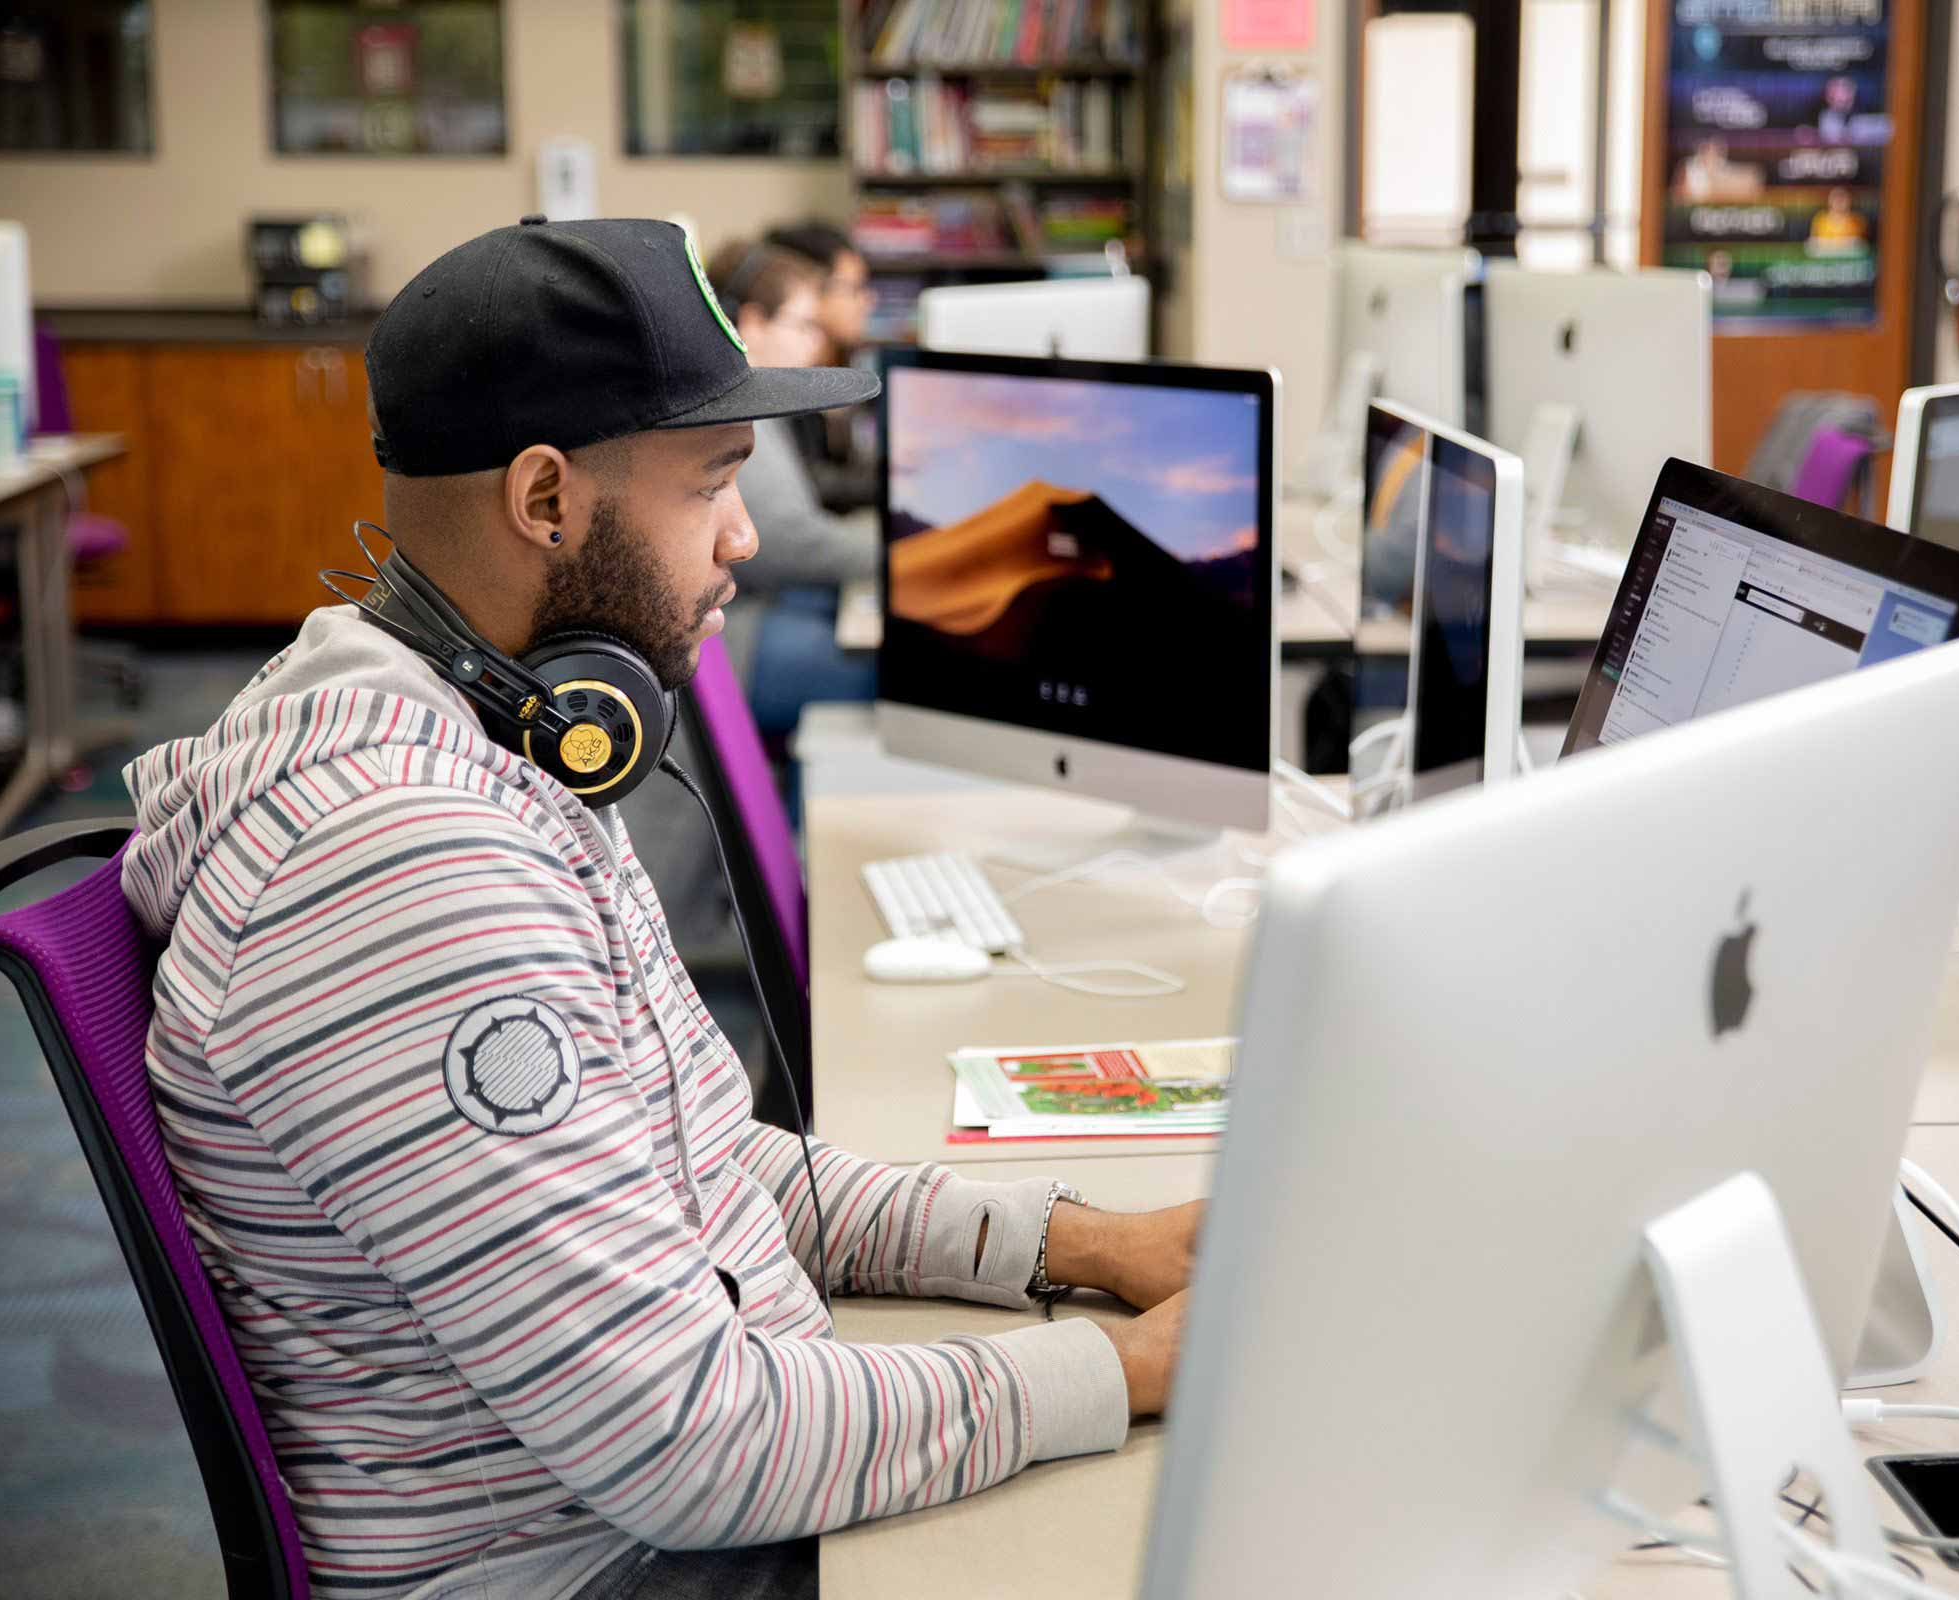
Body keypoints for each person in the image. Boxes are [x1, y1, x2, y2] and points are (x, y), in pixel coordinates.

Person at [118, 215, 1192, 1600]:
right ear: (548, 501)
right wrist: (1122, 1364)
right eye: (713, 482)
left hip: (680, 1493)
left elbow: (689, 1157)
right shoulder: (404, 870)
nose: (747, 537)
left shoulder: (498, 728)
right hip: (610, 1565)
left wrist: (1076, 1242)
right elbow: (691, 1444)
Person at [702, 237, 882, 812]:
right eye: (804, 325)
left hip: (750, 612)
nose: (817, 342)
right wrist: (904, 552)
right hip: (738, 640)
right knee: (889, 674)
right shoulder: (739, 411)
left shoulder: (753, 400)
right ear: (752, 321)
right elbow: (788, 544)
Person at [763, 220, 879, 512]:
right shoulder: (780, 371)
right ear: (810, 286)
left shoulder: (850, 362)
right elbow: (805, 479)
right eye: (855, 288)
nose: (869, 300)